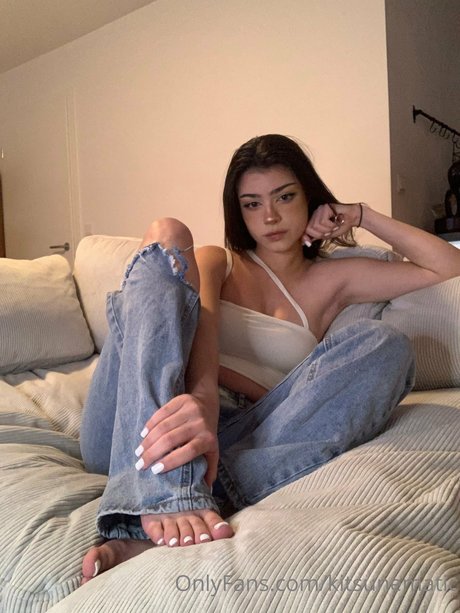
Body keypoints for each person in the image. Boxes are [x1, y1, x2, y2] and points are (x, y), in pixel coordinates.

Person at [80, 134, 460, 584]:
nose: (270, 217)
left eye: (284, 197)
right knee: (168, 234)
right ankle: (159, 495)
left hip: (247, 435)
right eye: (252, 204)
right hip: (144, 423)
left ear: (310, 197)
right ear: (238, 212)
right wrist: (203, 399)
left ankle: (183, 499)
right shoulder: (218, 261)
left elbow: (446, 266)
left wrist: (361, 214)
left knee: (385, 345)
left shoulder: (334, 279)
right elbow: (197, 337)